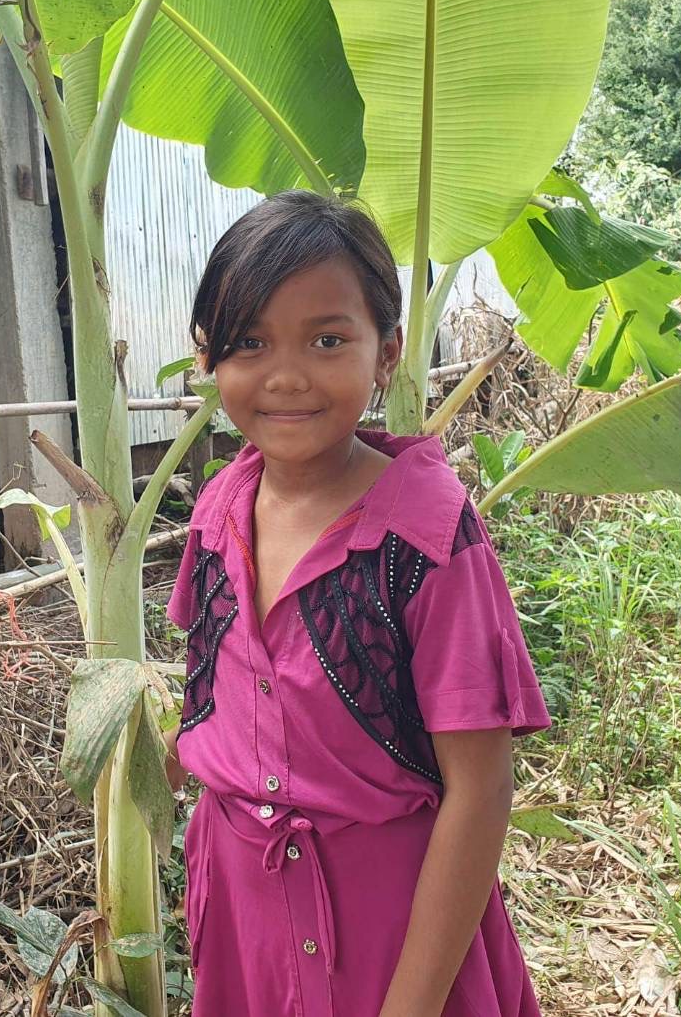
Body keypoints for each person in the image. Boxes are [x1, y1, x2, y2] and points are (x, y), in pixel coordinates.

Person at [162, 191, 552, 1017]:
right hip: (243, 914)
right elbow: (214, 685)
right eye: (249, 342)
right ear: (208, 356)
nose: (285, 376)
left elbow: (479, 790)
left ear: (387, 353)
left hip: (394, 933)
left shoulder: (426, 538)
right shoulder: (217, 510)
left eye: (327, 340)